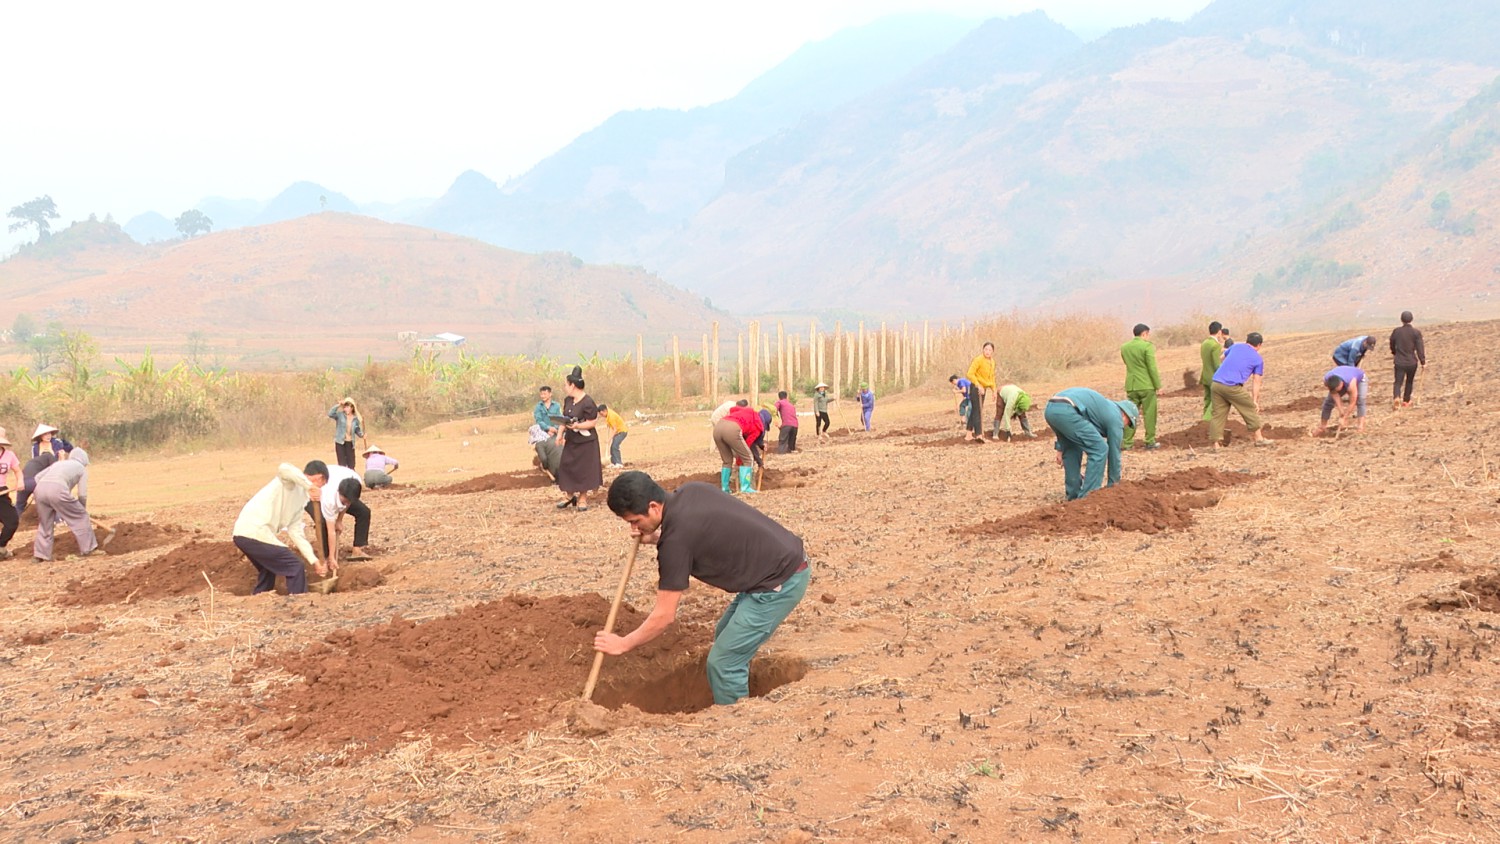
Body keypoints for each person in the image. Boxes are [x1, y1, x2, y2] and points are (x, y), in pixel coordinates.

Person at [598, 471, 810, 706]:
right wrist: (656, 536)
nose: (634, 527)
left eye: (635, 521)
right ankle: (738, 691)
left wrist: (623, 643)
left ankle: (735, 718)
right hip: (774, 565)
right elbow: (698, 533)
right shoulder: (692, 491)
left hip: (780, 581)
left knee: (723, 663)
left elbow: (664, 616)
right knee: (723, 636)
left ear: (653, 507)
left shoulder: (675, 544)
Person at [232, 463, 319, 595]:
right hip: (253, 532)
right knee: (295, 566)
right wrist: (309, 486)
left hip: (245, 535)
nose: (319, 488)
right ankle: (299, 601)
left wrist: (314, 560)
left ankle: (259, 598)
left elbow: (296, 533)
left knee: (268, 569)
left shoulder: (300, 504)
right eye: (320, 482)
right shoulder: (290, 485)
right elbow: (284, 468)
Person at [1043, 389, 1138, 501]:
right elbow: (1114, 453)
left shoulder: (1104, 408)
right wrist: (1114, 485)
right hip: (1068, 410)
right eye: (1128, 424)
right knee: (1100, 449)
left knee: (1072, 448)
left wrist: (1061, 448)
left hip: (1051, 408)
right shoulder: (1116, 417)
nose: (1125, 427)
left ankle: (1073, 498)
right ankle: (1089, 498)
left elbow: (1067, 422)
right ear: (1125, 415)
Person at [32, 448, 104, 563]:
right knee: (81, 517)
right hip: (58, 490)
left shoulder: (59, 463)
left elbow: (37, 477)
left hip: (39, 490)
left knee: (45, 523)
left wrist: (44, 489)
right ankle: (89, 549)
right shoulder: (81, 468)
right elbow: (82, 493)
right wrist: (81, 509)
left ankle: (40, 555)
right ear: (84, 461)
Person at [303, 459, 372, 570]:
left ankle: (357, 550)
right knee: (322, 522)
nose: (346, 504)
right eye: (344, 501)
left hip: (340, 488)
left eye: (348, 501)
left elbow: (348, 503)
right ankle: (325, 558)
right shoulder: (329, 497)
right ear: (339, 493)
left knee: (364, 512)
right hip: (311, 494)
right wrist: (331, 556)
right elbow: (331, 531)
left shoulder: (355, 483)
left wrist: (339, 519)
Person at [1210, 331, 1271, 448]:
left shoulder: (1235, 346)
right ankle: (1259, 439)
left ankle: (1216, 445)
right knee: (1249, 408)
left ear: (1247, 341)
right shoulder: (1257, 359)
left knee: (1218, 414)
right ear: (1259, 345)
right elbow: (1256, 381)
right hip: (1232, 386)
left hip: (1216, 383)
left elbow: (1221, 358)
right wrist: (1255, 401)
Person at [555, 367, 603, 511]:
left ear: (573, 385)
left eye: (566, 384)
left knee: (584, 469)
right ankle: (569, 495)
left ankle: (582, 498)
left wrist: (578, 426)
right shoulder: (568, 400)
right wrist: (560, 434)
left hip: (586, 442)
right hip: (571, 440)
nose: (565, 387)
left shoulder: (588, 402)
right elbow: (565, 419)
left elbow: (592, 422)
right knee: (567, 466)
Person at [1121, 323, 1163, 450]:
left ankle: (1127, 442)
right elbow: (1152, 367)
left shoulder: (1125, 347)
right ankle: (1150, 441)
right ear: (1144, 333)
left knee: (1130, 414)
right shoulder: (1147, 346)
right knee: (1149, 413)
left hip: (1132, 385)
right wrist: (1158, 385)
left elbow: (1127, 363)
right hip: (1146, 385)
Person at [715, 400, 763, 494]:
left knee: (727, 461)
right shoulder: (758, 426)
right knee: (748, 458)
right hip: (732, 429)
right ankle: (745, 488)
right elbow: (748, 444)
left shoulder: (740, 412)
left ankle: (725, 488)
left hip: (718, 427)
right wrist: (739, 461)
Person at [1390, 311, 1427, 409]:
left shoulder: (1396, 331)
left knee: (1398, 382)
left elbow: (1392, 343)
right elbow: (1420, 348)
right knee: (1409, 381)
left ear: (1401, 320)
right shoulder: (1416, 332)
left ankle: (1397, 397)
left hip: (1399, 361)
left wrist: (1394, 352)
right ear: (1411, 319)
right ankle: (1406, 401)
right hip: (1411, 362)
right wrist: (1423, 361)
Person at [1315, 366, 1368, 435]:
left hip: (1359, 379)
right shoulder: (1327, 380)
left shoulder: (1351, 384)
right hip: (1343, 377)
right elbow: (1334, 393)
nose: (1336, 391)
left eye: (1337, 390)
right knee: (1328, 402)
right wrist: (1341, 411)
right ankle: (1323, 427)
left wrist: (1344, 417)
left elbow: (1352, 402)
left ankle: (1360, 427)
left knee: (1360, 400)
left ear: (1341, 384)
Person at [964, 343, 996, 442]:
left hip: (984, 388)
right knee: (978, 411)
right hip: (975, 387)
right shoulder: (978, 360)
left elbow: (991, 378)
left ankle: (968, 434)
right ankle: (979, 435)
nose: (987, 352)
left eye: (989, 350)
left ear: (992, 352)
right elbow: (970, 374)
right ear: (983, 350)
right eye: (986, 349)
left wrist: (994, 390)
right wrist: (978, 385)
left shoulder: (992, 362)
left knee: (975, 410)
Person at [1199, 321, 1227, 421]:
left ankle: (1204, 422)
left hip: (1205, 376)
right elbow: (1217, 364)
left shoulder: (1204, 343)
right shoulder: (1216, 345)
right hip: (1213, 377)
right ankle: (1207, 420)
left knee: (1207, 400)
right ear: (1219, 332)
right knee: (1215, 400)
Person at [327, 398, 364, 470]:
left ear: (352, 408)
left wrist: (362, 435)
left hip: (350, 443)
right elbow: (330, 414)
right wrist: (338, 405)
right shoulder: (340, 415)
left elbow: (356, 429)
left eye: (347, 407)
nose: (346, 409)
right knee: (342, 464)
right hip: (340, 442)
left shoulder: (355, 419)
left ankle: (352, 476)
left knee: (351, 464)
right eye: (345, 407)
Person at [0, 431, 19, 559]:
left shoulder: (9, 455)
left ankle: (1, 546)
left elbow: (18, 471)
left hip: (2, 493)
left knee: (12, 522)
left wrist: (20, 481)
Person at [598, 403, 629, 469]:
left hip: (622, 432)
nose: (601, 416)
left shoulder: (611, 416)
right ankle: (614, 463)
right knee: (612, 447)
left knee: (615, 446)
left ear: (605, 411)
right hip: (618, 432)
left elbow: (615, 430)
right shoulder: (608, 414)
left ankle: (619, 463)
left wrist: (609, 439)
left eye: (602, 414)